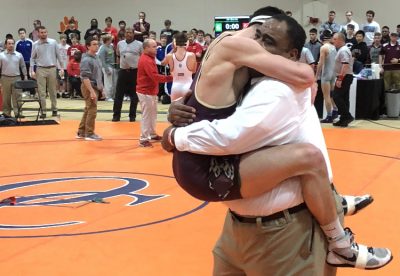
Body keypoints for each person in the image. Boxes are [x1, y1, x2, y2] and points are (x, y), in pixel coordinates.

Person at [162, 10, 390, 271]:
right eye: (257, 35)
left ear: (291, 55)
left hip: (281, 232)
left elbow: (230, 136)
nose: (257, 44)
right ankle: (334, 206)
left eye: (268, 41)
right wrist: (180, 111)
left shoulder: (277, 88)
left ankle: (340, 241)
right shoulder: (252, 70)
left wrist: (175, 135)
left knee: (309, 158)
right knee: (309, 160)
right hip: (239, 222)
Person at [136, 39, 173, 147]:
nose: (156, 48)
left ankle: (151, 134)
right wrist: (170, 78)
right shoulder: (146, 60)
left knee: (152, 114)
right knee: (147, 115)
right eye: (153, 46)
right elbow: (154, 77)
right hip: (145, 91)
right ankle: (143, 139)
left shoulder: (150, 58)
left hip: (151, 90)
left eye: (156, 46)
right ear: (146, 48)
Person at [30, 26, 64, 118]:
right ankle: (43, 111)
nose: (44, 34)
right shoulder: (35, 44)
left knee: (52, 91)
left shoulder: (53, 42)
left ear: (47, 32)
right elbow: (32, 58)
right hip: (40, 69)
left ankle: (54, 109)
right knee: (41, 92)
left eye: (45, 32)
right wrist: (32, 70)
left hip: (52, 68)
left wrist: (61, 68)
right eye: (41, 32)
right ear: (38, 33)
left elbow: (59, 56)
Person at [76, 37, 104, 141]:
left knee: (88, 108)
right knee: (92, 109)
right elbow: (85, 77)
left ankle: (81, 131)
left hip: (95, 86)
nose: (97, 46)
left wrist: (101, 89)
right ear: (88, 46)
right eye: (94, 44)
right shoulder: (86, 60)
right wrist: (92, 91)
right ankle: (89, 133)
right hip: (89, 86)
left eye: (97, 44)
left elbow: (98, 74)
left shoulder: (96, 57)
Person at [112, 27, 142, 122]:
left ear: (133, 34)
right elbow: (118, 55)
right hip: (123, 71)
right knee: (118, 95)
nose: (128, 34)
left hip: (134, 72)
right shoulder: (120, 44)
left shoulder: (139, 44)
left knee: (134, 96)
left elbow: (142, 58)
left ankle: (132, 116)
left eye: (130, 33)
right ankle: (116, 116)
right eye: (127, 32)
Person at [162, 32, 197, 101]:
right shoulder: (191, 55)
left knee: (174, 110)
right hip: (188, 86)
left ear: (175, 43)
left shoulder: (170, 56)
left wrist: (173, 49)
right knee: (187, 110)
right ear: (187, 43)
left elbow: (162, 63)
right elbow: (194, 71)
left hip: (175, 87)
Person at [0, 38, 27, 118]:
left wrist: (25, 76)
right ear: (6, 45)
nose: (11, 45)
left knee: (18, 97)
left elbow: (23, 66)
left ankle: (18, 113)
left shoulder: (19, 55)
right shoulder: (1, 55)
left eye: (12, 43)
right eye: (9, 43)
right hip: (5, 78)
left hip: (17, 78)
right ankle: (6, 113)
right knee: (6, 97)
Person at [332, 32, 355, 127]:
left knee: (336, 96)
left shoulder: (343, 50)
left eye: (335, 39)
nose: (333, 41)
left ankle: (347, 116)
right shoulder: (342, 49)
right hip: (346, 76)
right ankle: (343, 119)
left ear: (341, 40)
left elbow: (345, 65)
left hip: (345, 76)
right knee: (344, 98)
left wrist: (340, 79)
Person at [317, 30, 338, 123]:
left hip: (326, 74)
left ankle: (329, 116)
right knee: (332, 95)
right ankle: (335, 110)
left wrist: (316, 75)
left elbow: (321, 63)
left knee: (327, 96)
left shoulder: (323, 48)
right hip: (333, 73)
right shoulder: (334, 47)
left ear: (321, 39)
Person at [98, 34, 115, 101]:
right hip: (107, 66)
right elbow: (102, 60)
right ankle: (107, 96)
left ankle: (111, 95)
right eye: (110, 39)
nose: (112, 40)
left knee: (112, 82)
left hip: (112, 66)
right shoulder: (103, 48)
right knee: (108, 82)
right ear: (107, 40)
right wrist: (106, 69)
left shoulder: (111, 46)